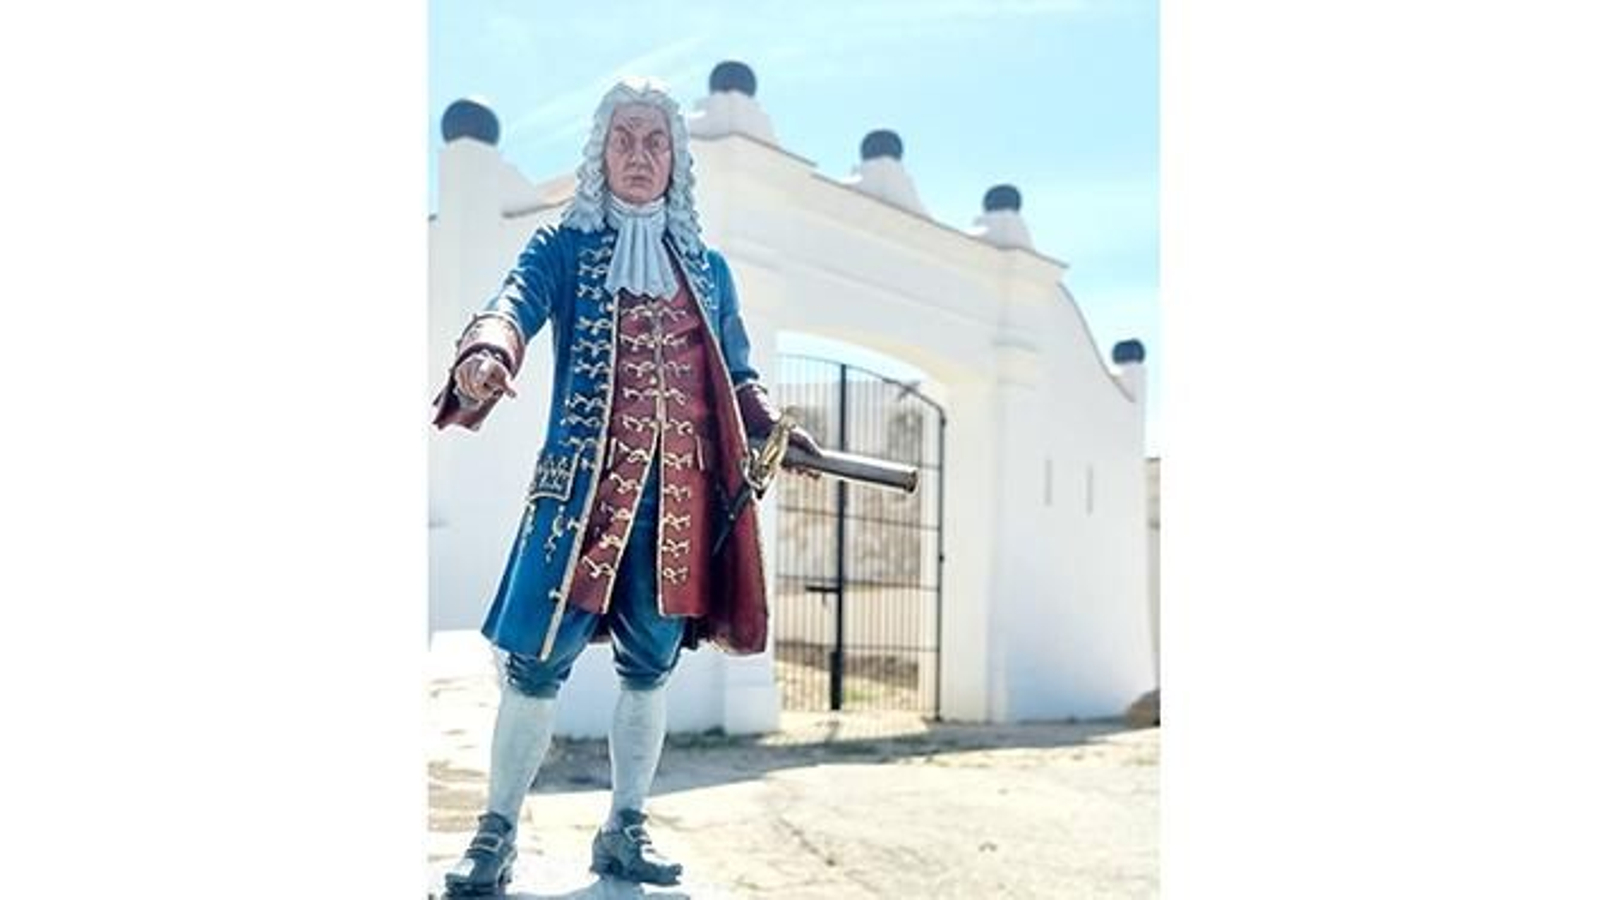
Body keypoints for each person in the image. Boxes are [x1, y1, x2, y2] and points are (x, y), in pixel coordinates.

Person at [432, 77, 818, 895]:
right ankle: (495, 835)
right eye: (624, 139)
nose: (639, 155)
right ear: (599, 153)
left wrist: (771, 425)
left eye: (655, 141)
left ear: (676, 159)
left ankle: (625, 827)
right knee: (536, 666)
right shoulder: (564, 248)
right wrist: (488, 351)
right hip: (579, 501)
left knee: (650, 670)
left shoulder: (709, 271)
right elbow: (512, 304)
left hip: (677, 505)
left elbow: (738, 372)